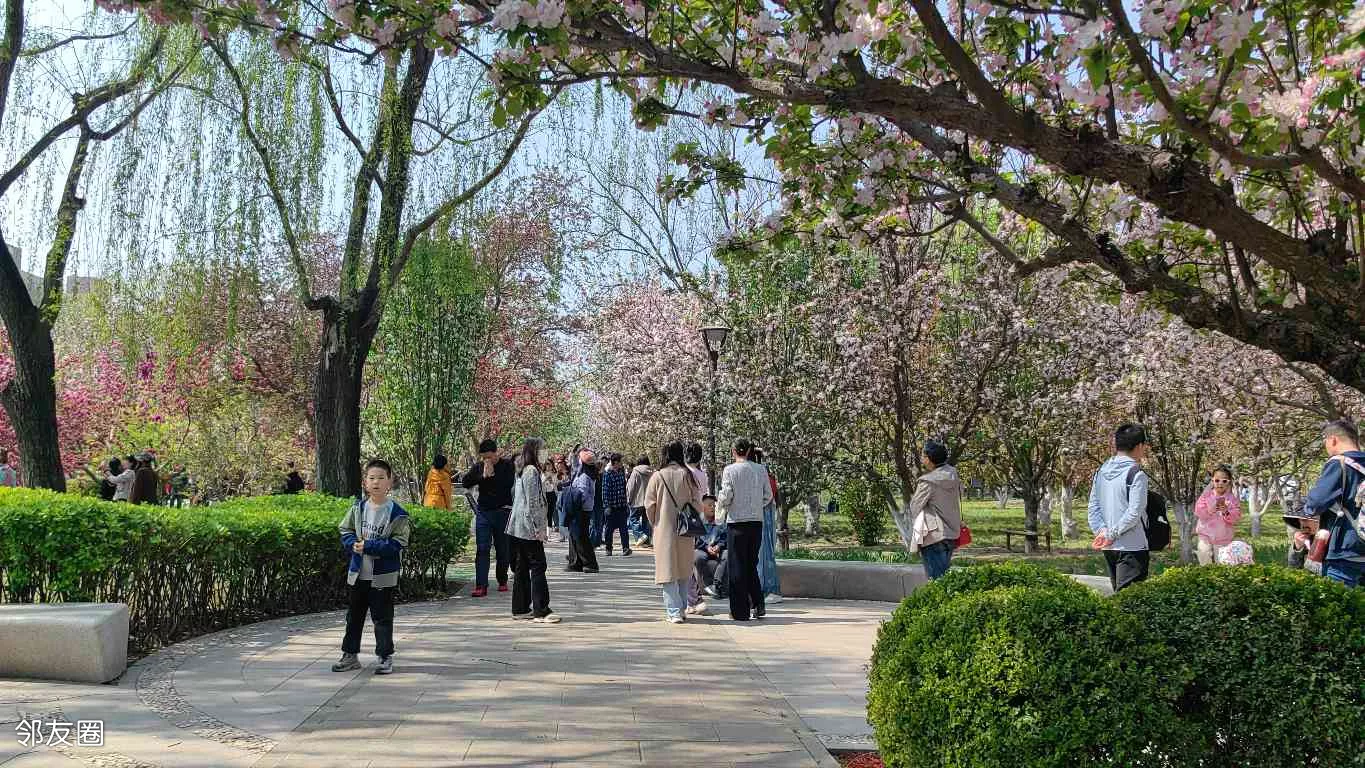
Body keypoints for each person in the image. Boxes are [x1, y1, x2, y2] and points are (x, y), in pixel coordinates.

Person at [333, 459, 411, 675]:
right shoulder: (358, 508)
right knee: (353, 617)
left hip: (383, 577)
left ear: (390, 482)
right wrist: (353, 544)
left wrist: (369, 546)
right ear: (365, 482)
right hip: (358, 574)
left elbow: (398, 543)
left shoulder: (398, 513)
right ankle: (350, 655)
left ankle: (385, 656)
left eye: (381, 478)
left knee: (382, 619)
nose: (376, 482)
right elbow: (345, 530)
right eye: (371, 478)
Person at [1088, 423, 1152, 593]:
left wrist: (1102, 532)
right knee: (1129, 601)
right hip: (1132, 546)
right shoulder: (1136, 474)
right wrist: (1111, 534)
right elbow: (1134, 513)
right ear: (1139, 446)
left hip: (1109, 547)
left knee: (1120, 597)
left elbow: (1093, 507)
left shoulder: (1100, 472)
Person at [645, 440, 704, 624]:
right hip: (685, 529)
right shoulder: (687, 475)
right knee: (684, 570)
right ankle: (682, 608)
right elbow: (697, 503)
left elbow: (649, 505)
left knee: (667, 571)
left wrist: (656, 522)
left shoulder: (658, 476)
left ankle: (673, 612)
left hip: (664, 529)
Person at [717, 438, 774, 621]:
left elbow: (726, 495)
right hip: (756, 522)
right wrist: (756, 505)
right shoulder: (760, 469)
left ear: (733, 451)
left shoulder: (730, 470)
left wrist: (723, 504)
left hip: (737, 522)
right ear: (749, 451)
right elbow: (768, 495)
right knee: (751, 564)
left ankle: (740, 611)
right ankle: (758, 603)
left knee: (737, 567)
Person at [1304, 419, 1365, 588]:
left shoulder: (1339, 462)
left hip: (1345, 550)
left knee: (1339, 600)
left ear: (1333, 440)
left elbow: (1316, 503)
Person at [506, 437, 559, 623]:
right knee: (538, 566)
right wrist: (539, 529)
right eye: (543, 449)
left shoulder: (523, 470)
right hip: (528, 528)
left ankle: (520, 608)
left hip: (519, 527)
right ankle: (541, 610)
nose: (545, 452)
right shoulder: (531, 471)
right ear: (534, 451)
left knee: (522, 567)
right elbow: (533, 503)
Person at [462, 439, 515, 597]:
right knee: (482, 548)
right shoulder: (479, 467)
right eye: (484, 457)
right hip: (484, 512)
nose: (487, 460)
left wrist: (491, 475)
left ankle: (502, 579)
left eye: (489, 457)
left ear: (496, 453)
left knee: (502, 548)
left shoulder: (507, 466)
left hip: (502, 512)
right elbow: (465, 482)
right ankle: (481, 585)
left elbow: (507, 484)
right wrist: (482, 476)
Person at [903, 441, 963, 580]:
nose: (922, 459)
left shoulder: (928, 482)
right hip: (951, 533)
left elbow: (914, 507)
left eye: (923, 456)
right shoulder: (953, 474)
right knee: (943, 577)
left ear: (929, 459)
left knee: (936, 581)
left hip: (934, 535)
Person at [751, 448, 784, 603]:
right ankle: (766, 589)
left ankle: (770, 589)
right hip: (764, 520)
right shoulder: (767, 475)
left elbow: (768, 498)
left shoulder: (760, 475)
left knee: (764, 554)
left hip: (762, 520)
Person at [1194, 465, 1242, 565]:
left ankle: (1220, 573)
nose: (1220, 483)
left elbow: (1236, 518)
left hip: (1223, 537)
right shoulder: (1206, 496)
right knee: (1204, 555)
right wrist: (1209, 511)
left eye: (1224, 481)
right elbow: (1198, 511)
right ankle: (1207, 572)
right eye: (1217, 480)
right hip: (1205, 534)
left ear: (1229, 482)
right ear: (1212, 481)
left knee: (1222, 561)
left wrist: (1226, 512)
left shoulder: (1232, 500)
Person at [688, 495, 726, 614]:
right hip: (703, 549)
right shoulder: (698, 521)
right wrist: (706, 547)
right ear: (703, 507)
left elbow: (725, 537)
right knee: (698, 557)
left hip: (717, 549)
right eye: (710, 505)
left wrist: (719, 546)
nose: (713, 508)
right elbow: (697, 539)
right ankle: (708, 584)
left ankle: (717, 584)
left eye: (714, 505)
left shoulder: (720, 521)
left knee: (727, 556)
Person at [565, 450, 600, 573]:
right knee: (575, 535)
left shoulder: (584, 476)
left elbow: (582, 493)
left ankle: (590, 563)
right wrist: (573, 454)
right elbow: (574, 464)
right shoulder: (586, 472)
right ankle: (575, 562)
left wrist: (575, 502)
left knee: (580, 537)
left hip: (581, 509)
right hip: (583, 509)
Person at [601, 454, 630, 556]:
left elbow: (624, 489)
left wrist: (626, 503)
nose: (622, 463)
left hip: (621, 505)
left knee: (624, 528)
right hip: (611, 506)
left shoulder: (621, 473)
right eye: (620, 461)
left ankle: (626, 548)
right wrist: (607, 506)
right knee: (609, 529)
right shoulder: (608, 474)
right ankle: (608, 548)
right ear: (616, 462)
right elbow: (605, 491)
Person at [626, 454, 656, 548]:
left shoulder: (635, 471)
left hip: (637, 500)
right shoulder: (653, 472)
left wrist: (629, 498)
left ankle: (640, 535)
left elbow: (631, 487)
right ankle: (646, 541)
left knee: (633, 519)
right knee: (646, 521)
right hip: (649, 500)